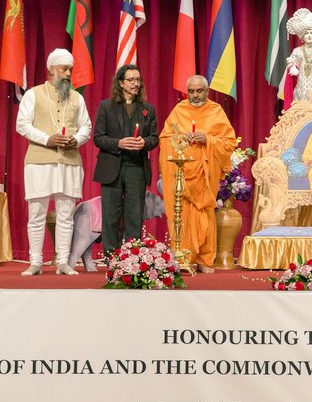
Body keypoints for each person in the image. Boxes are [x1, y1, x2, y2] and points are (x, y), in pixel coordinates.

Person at [16, 48, 92, 276]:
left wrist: (76, 139)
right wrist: (47, 139)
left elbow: (86, 127)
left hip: (69, 162)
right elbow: (22, 124)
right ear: (51, 70)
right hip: (39, 162)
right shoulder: (33, 94)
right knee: (37, 214)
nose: (68, 73)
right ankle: (36, 262)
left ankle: (62, 262)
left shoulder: (77, 97)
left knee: (66, 215)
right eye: (64, 68)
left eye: (70, 69)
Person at [158, 75, 236, 273]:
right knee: (181, 214)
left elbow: (229, 143)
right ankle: (182, 256)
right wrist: (180, 136)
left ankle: (204, 259)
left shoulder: (215, 111)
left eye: (199, 91)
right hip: (181, 176)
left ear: (207, 92)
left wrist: (208, 139)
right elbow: (165, 138)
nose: (195, 95)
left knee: (204, 215)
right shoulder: (179, 110)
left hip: (204, 175)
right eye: (191, 91)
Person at [92, 64, 159, 256]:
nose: (135, 84)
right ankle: (111, 256)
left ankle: (132, 257)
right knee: (111, 214)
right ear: (121, 83)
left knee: (134, 215)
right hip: (111, 167)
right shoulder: (106, 106)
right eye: (131, 80)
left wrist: (143, 143)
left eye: (138, 80)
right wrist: (119, 143)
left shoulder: (148, 109)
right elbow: (98, 138)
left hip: (136, 167)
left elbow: (154, 138)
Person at [283, 8, 312, 109]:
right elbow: (292, 67)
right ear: (302, 36)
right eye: (306, 33)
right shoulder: (297, 51)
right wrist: (292, 67)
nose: (309, 36)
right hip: (301, 89)